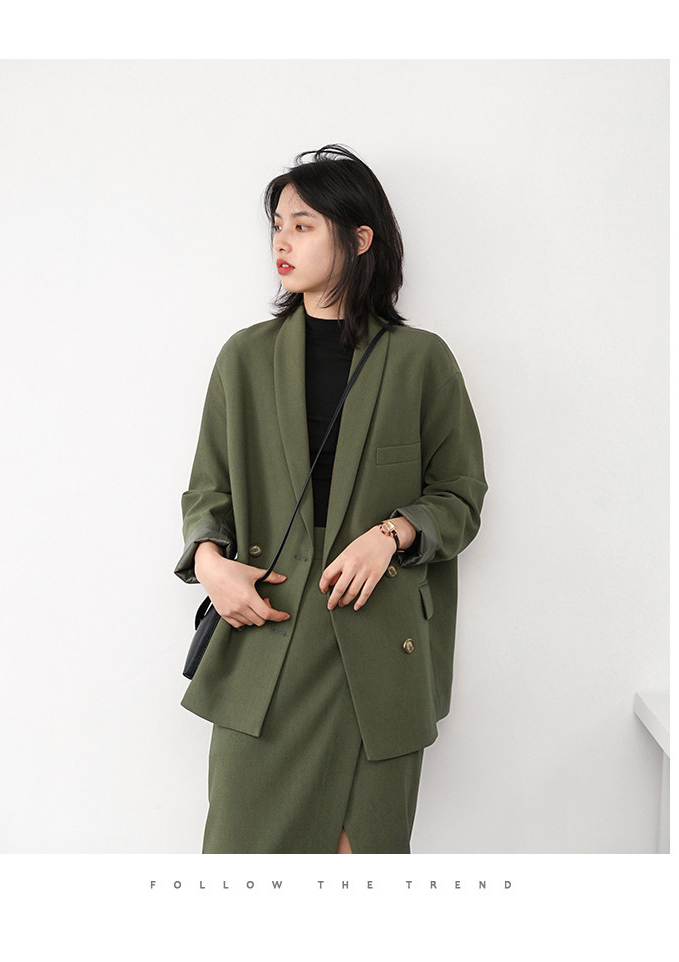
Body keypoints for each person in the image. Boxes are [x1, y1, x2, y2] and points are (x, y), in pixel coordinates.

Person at [174, 144, 487, 854]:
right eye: (276, 226)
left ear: (359, 237)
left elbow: (461, 495)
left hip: (373, 654)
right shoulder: (245, 358)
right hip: (268, 635)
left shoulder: (421, 361)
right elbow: (208, 490)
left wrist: (391, 535)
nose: (281, 242)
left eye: (303, 225)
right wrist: (212, 566)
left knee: (359, 863)